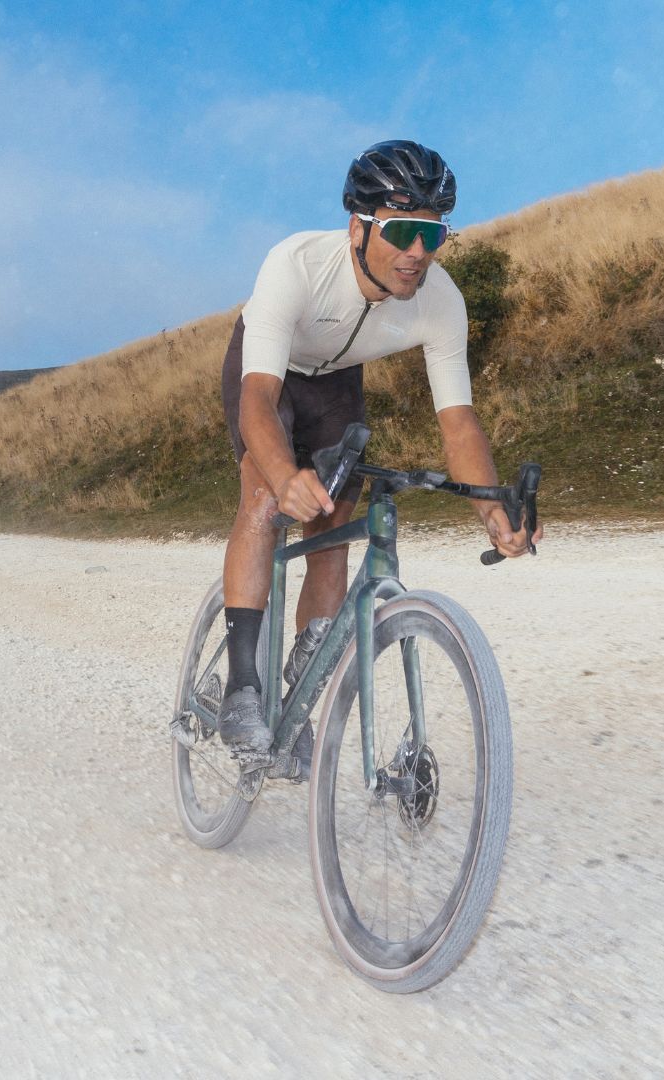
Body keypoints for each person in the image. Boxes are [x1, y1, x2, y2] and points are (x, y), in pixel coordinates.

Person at [216, 139, 537, 760]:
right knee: (263, 500)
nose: (418, 253)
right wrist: (283, 476)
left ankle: (305, 667)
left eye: (434, 234)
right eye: (404, 230)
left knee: (336, 526)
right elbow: (258, 402)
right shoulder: (297, 265)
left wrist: (494, 510)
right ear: (359, 226)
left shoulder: (442, 302)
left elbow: (459, 423)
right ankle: (242, 688)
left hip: (336, 384)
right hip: (269, 371)